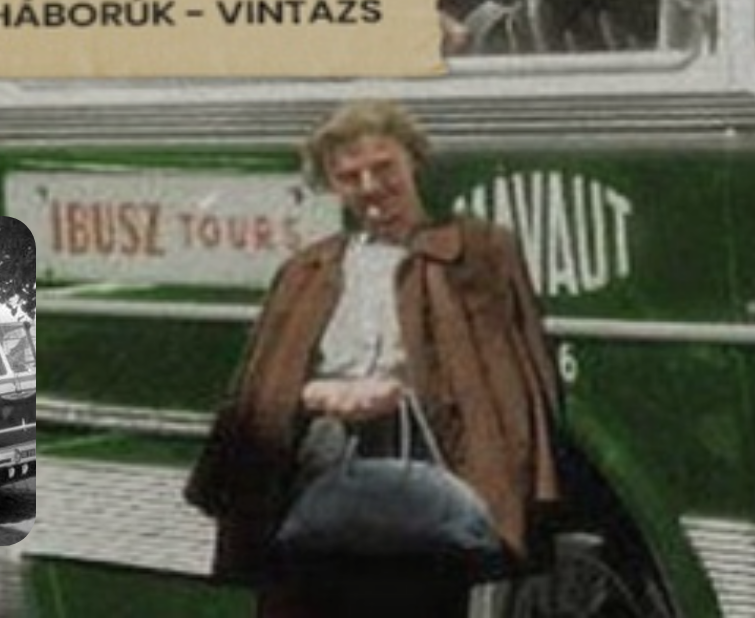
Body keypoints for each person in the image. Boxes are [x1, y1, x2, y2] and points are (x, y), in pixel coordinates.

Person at [186, 99, 564, 618]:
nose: (370, 186)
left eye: (383, 167)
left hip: (423, 466)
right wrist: (317, 393)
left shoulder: (477, 252)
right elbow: (264, 389)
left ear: (413, 160)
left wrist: (403, 392)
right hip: (316, 466)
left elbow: (505, 379)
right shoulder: (308, 269)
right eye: (349, 176)